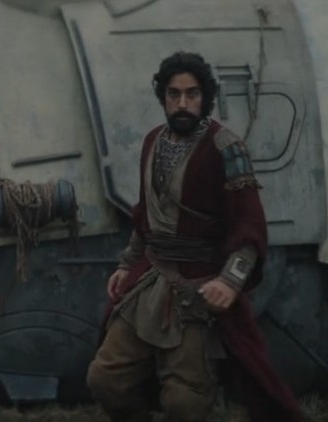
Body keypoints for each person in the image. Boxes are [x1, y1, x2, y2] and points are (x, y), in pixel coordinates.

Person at [85, 52, 304, 422]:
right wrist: (127, 264)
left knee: (185, 403)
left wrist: (230, 281)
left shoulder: (227, 147)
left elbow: (248, 228)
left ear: (205, 97)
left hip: (196, 293)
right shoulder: (152, 141)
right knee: (105, 379)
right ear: (163, 97)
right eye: (174, 94)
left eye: (192, 94)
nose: (182, 103)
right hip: (149, 284)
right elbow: (145, 216)